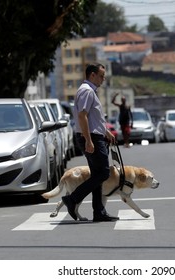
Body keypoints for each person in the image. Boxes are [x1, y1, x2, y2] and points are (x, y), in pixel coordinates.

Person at [61, 63, 119, 222]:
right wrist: (88, 140)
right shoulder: (87, 92)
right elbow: (82, 116)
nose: (103, 79)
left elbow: (93, 118)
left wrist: (105, 131)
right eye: (101, 75)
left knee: (97, 175)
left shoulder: (89, 91)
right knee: (103, 173)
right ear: (92, 75)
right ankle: (72, 199)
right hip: (91, 137)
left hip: (94, 135)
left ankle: (98, 212)